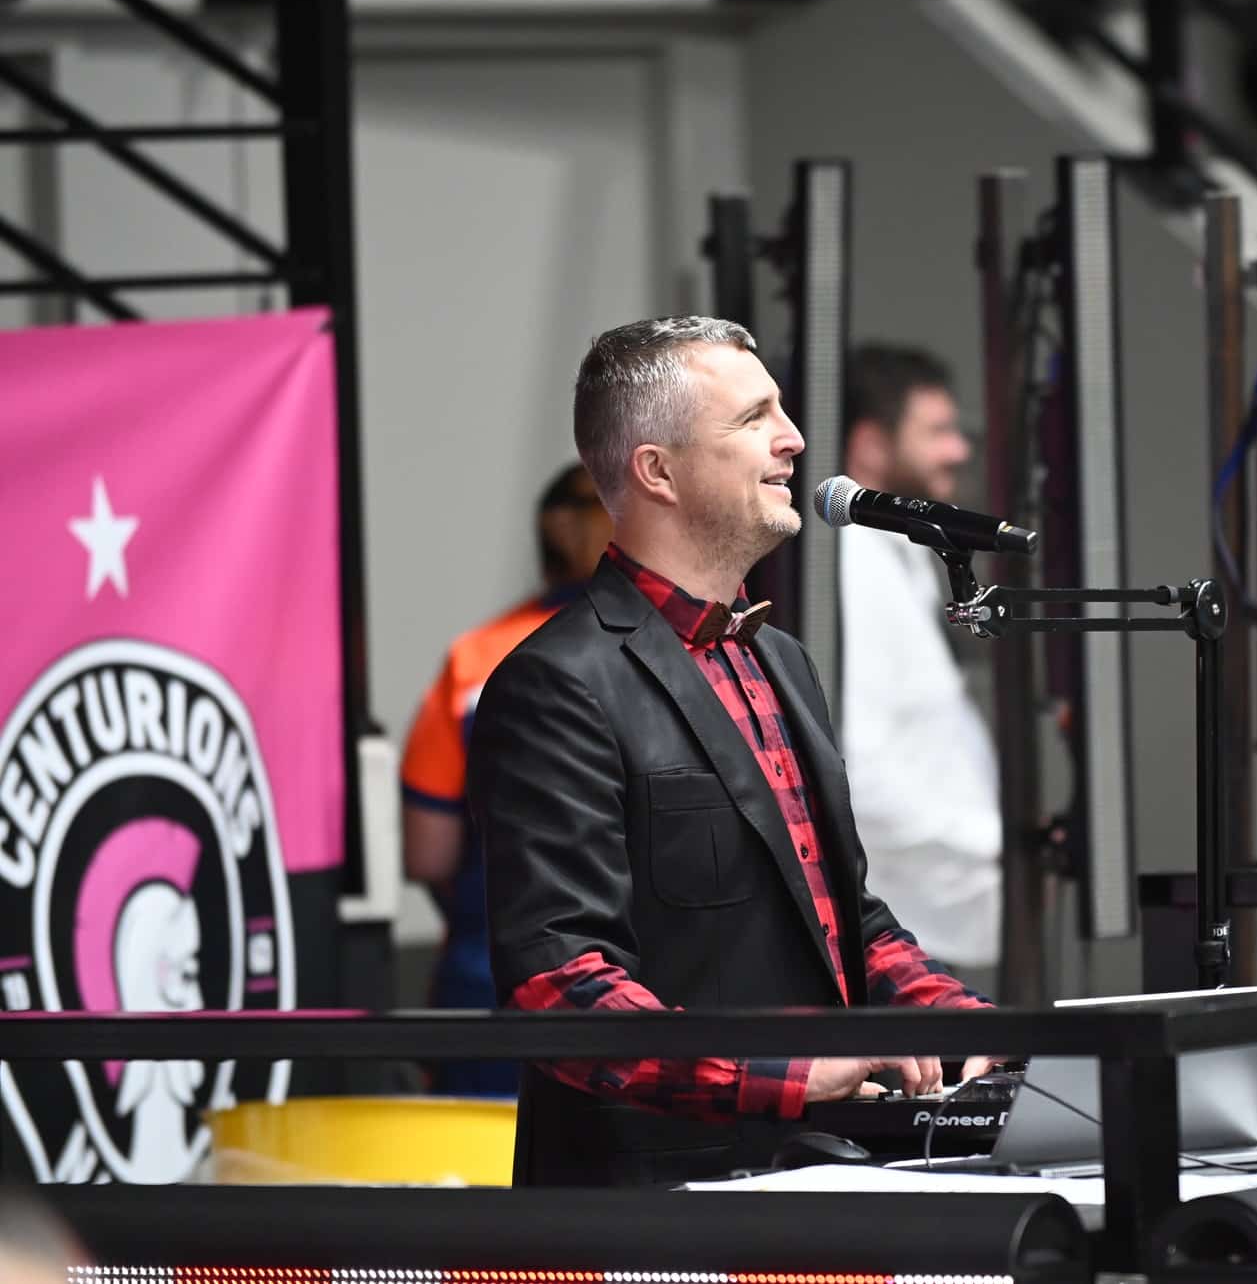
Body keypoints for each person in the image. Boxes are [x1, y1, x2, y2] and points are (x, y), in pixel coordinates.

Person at [469, 316, 995, 1186]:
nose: (792, 440)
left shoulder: (779, 661)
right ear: (657, 470)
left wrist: (965, 1023)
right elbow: (561, 983)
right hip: (657, 1202)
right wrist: (783, 1072)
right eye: (754, 418)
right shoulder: (557, 681)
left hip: (816, 1170)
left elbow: (844, 919)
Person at [399, 463, 612, 1097]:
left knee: (490, 1181)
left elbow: (427, 850)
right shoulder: (700, 648)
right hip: (653, 1000)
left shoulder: (477, 660)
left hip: (494, 975)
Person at [836, 345, 1002, 989]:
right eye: (937, 432)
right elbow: (859, 765)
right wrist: (981, 843)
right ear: (872, 445)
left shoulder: (897, 559)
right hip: (897, 937)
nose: (958, 451)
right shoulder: (850, 571)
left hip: (927, 926)